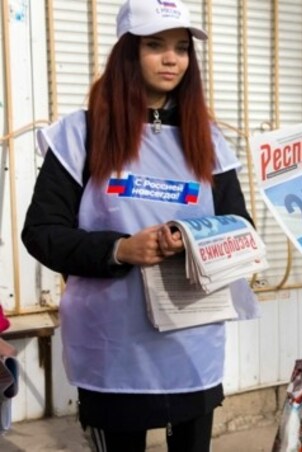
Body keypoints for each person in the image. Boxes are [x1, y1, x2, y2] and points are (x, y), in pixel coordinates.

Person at [21, 1, 256, 450]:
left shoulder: (207, 141)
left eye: (182, 48)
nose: (172, 59)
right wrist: (120, 250)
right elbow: (42, 232)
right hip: (113, 350)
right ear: (128, 52)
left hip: (192, 346)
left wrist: (191, 242)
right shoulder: (80, 135)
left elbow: (239, 228)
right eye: (156, 45)